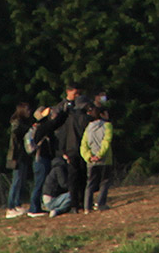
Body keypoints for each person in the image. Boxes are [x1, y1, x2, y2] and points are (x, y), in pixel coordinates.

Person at [53, 84, 89, 216]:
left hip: (73, 147)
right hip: (74, 147)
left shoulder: (74, 113)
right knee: (78, 176)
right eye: (76, 93)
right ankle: (78, 202)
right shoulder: (64, 110)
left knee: (78, 176)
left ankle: (77, 203)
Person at [21, 105, 55, 218]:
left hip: (37, 160)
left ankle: (37, 206)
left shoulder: (34, 128)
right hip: (41, 159)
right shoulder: (41, 129)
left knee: (39, 183)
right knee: (39, 184)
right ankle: (34, 208)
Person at [2, 103, 34, 218]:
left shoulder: (24, 123)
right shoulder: (17, 123)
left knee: (21, 181)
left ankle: (17, 204)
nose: (29, 112)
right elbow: (16, 132)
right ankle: (10, 207)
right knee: (16, 181)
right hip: (17, 156)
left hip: (23, 155)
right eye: (27, 110)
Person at [81, 104, 114, 211]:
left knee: (90, 183)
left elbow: (83, 145)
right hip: (105, 159)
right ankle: (100, 203)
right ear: (102, 114)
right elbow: (106, 141)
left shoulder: (88, 128)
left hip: (91, 161)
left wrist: (89, 157)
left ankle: (87, 206)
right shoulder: (107, 126)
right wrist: (100, 154)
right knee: (105, 182)